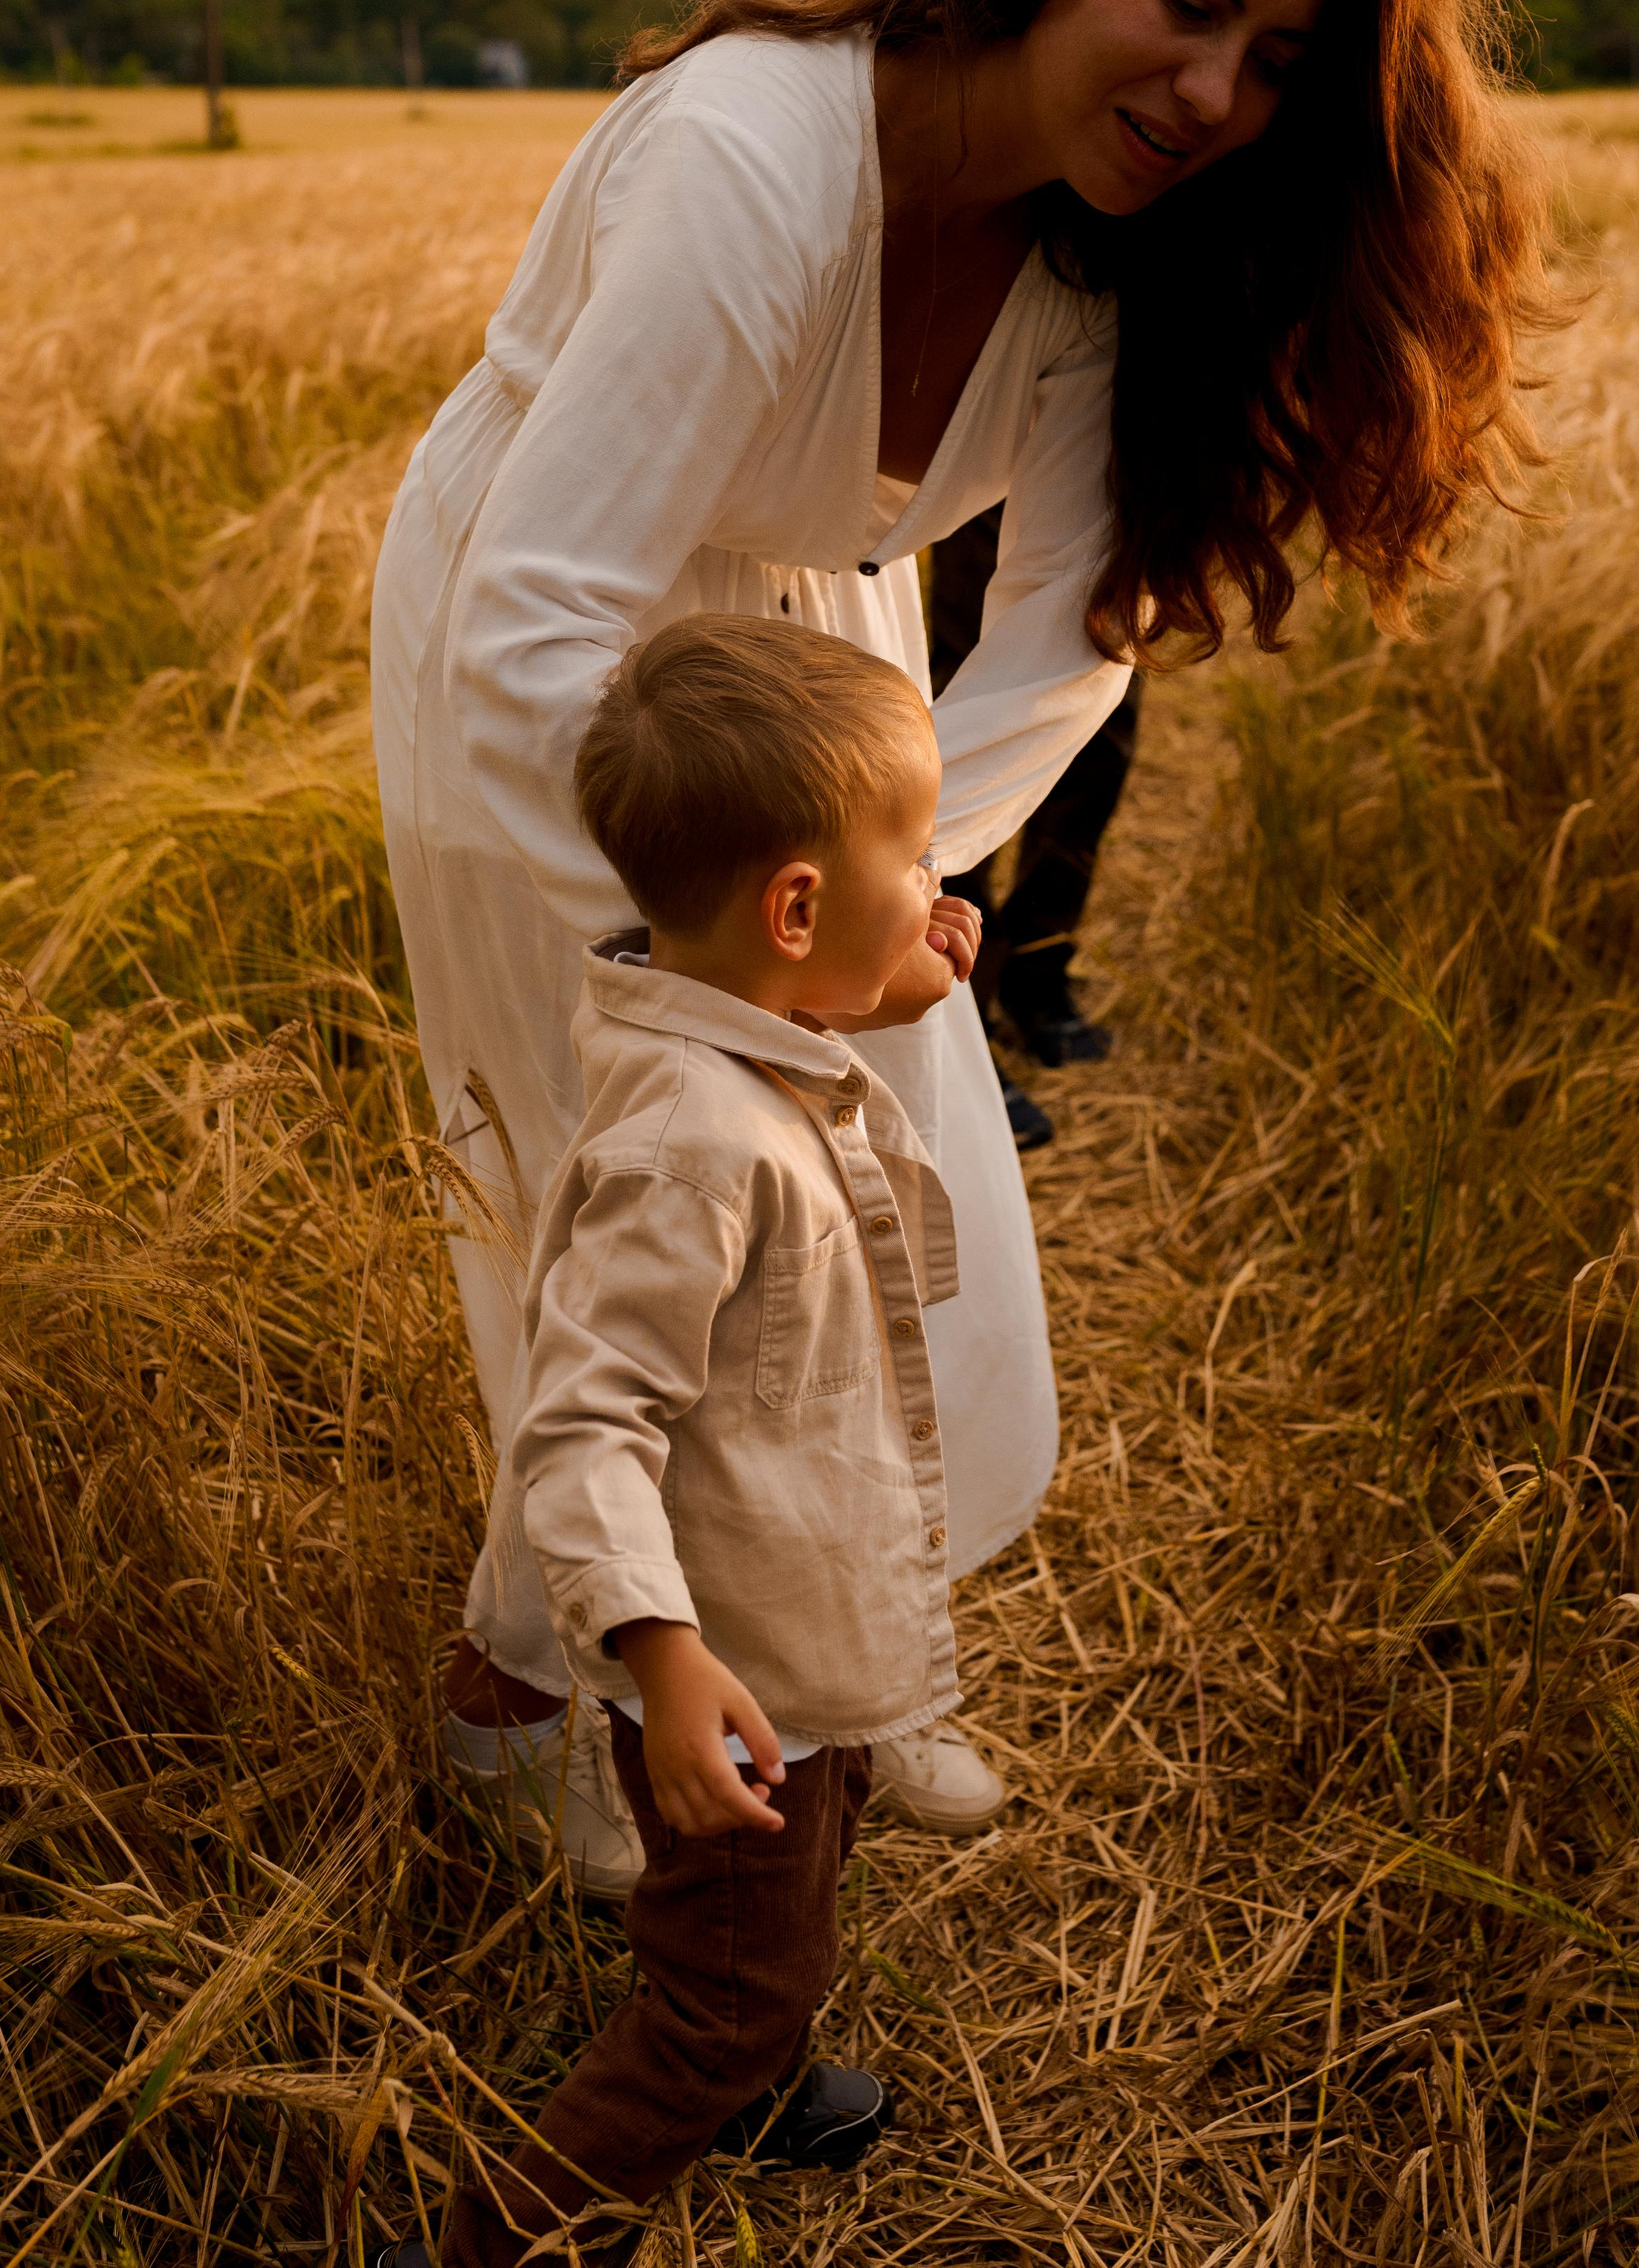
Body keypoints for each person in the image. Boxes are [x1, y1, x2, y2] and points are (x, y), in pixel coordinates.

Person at [369, 0, 1552, 1898]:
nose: (1215, 97)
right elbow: (537, 629)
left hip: (816, 692)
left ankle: (819, 1677)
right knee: (629, 1206)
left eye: (1278, 59)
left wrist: (889, 912)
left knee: (863, 1223)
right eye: (1187, 2)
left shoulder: (1108, 254)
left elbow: (1073, 638)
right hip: (555, 672)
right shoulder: (755, 159)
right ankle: (513, 1719)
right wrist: (732, 957)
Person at [387, 616, 972, 2268]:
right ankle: (493, 2240)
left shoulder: (731, 1021)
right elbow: (578, 1433)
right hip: (726, 1651)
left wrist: (898, 975)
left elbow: (800, 1024)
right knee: (725, 1981)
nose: (932, 881)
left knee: (820, 1839)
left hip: (796, 1606)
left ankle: (757, 2080)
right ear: (795, 907)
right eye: (908, 856)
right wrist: (658, 1654)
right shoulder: (686, 1154)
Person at [875, 0, 1180, 1149]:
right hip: (990, 361)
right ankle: (950, 999)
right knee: (959, 679)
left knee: (1097, 673)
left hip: (1144, 349)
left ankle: (1041, 975)